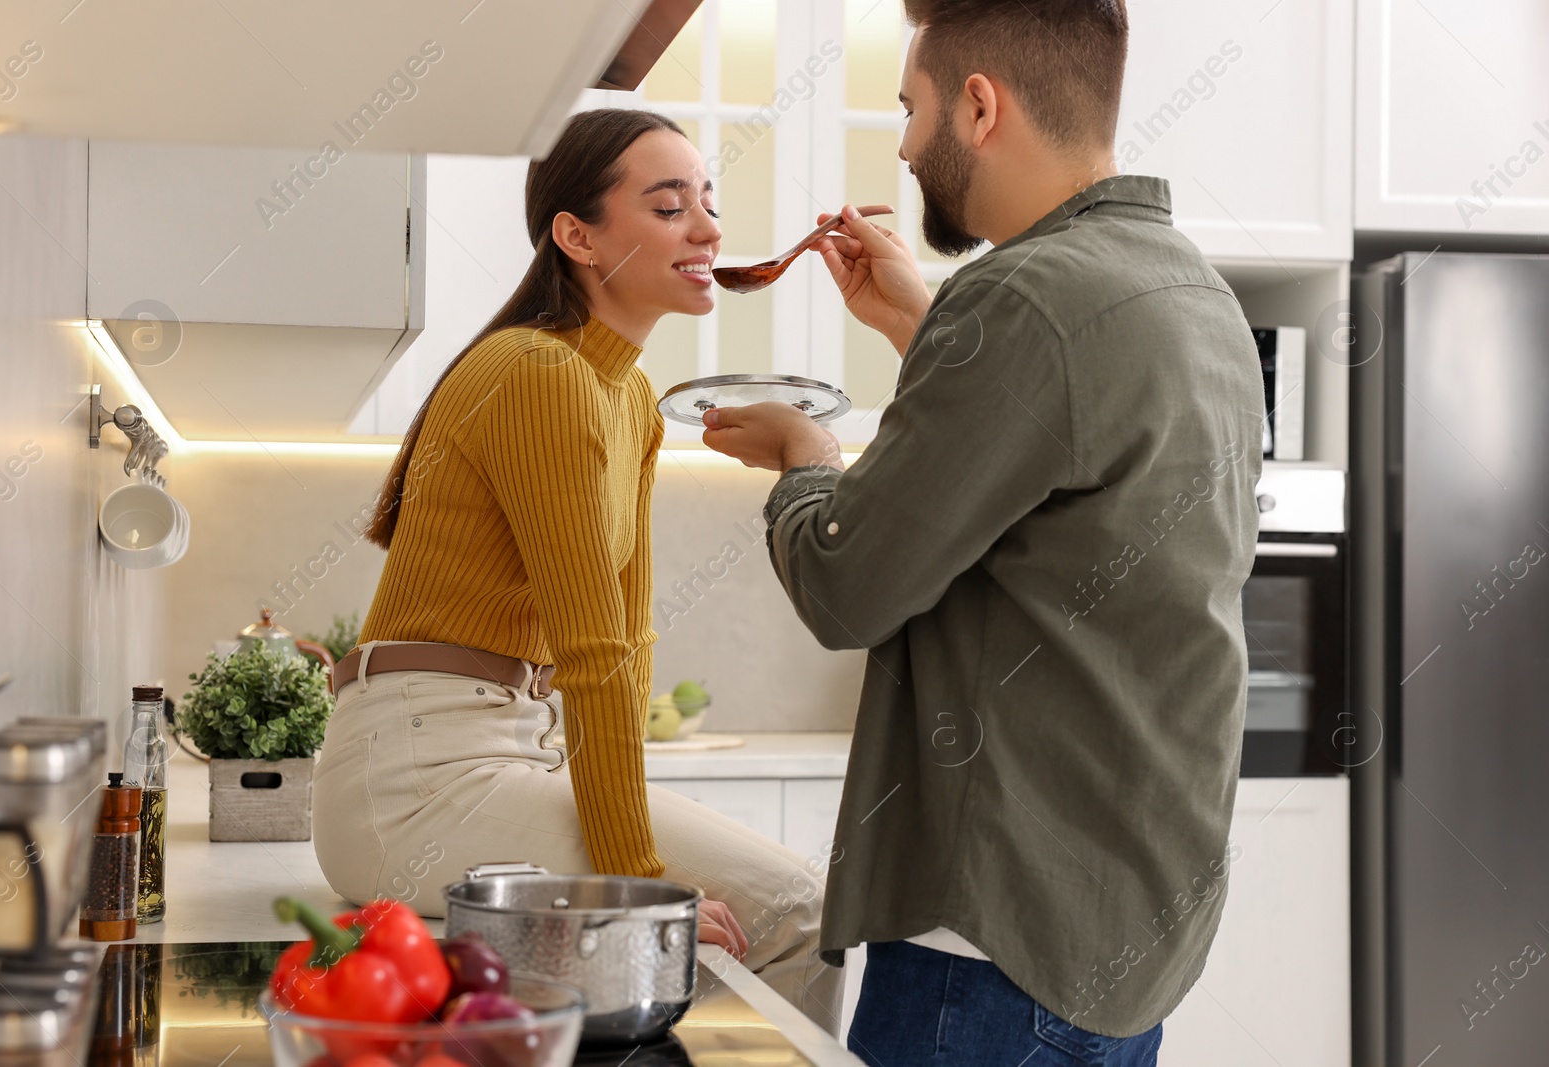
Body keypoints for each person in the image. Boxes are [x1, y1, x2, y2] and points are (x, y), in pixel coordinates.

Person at [700, 1, 1263, 1064]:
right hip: (1117, 927)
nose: (906, 146)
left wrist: (802, 459)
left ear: (978, 104)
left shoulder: (1019, 297)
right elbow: (1054, 468)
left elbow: (845, 585)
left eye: (909, 110)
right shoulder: (1194, 293)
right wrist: (921, 321)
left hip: (987, 946)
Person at [311, 107, 842, 1032]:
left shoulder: (628, 395)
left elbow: (626, 641)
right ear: (577, 236)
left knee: (777, 912)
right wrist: (635, 868)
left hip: (502, 750)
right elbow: (596, 650)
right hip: (415, 779)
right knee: (795, 909)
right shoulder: (537, 371)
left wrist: (632, 859)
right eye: (670, 206)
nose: (710, 230)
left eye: (707, 202)